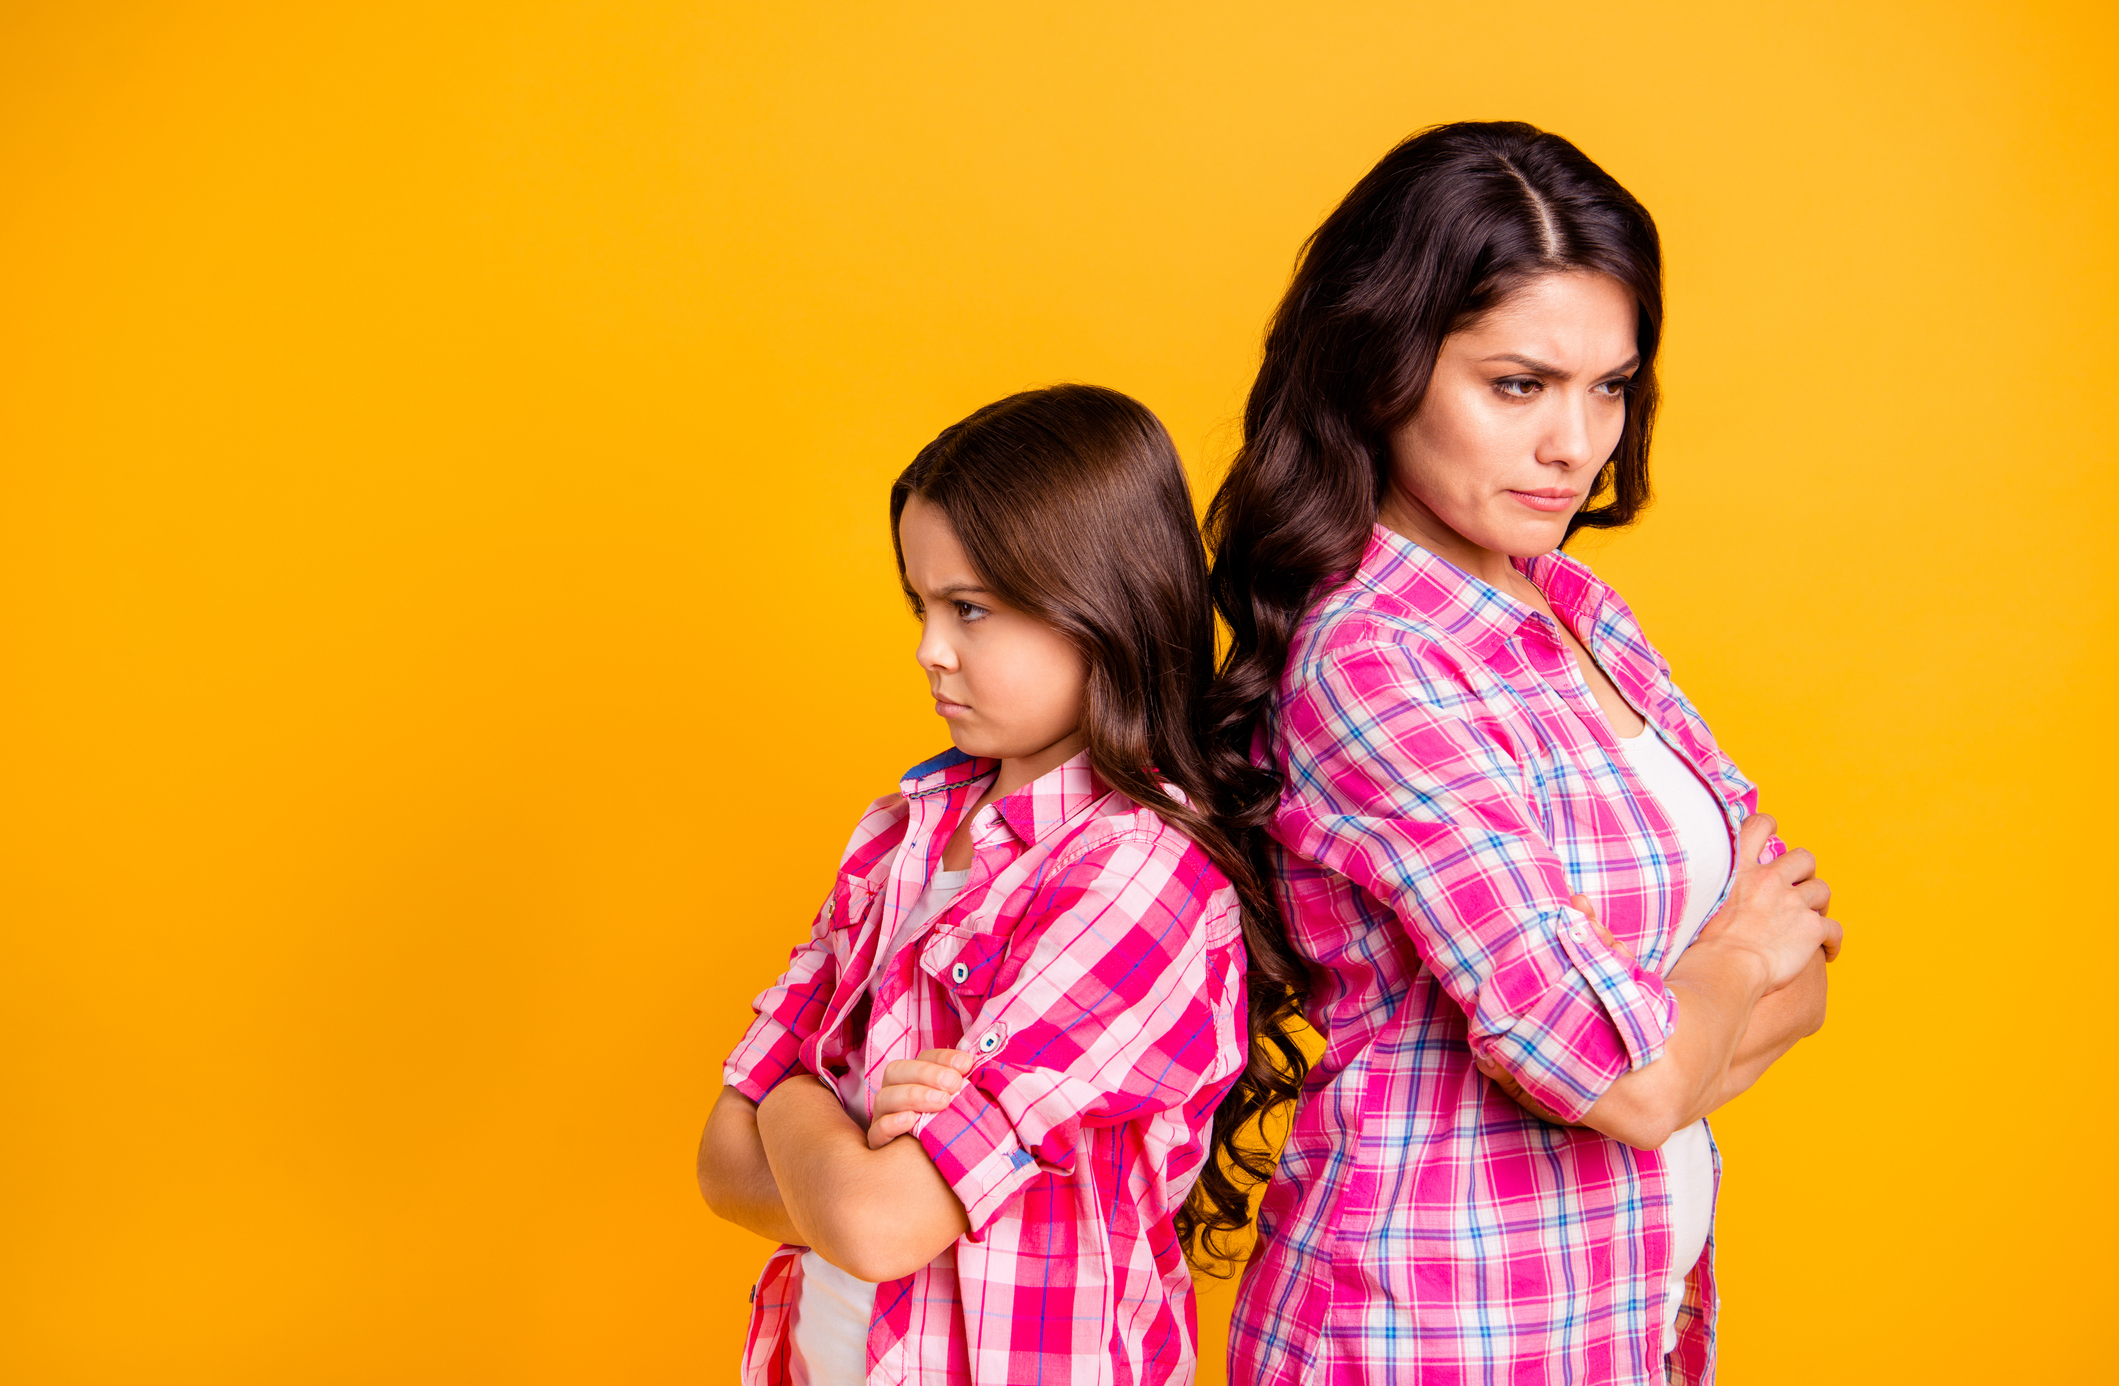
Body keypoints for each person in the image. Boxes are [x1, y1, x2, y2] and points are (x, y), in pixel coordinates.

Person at [1204, 122, 1844, 1385]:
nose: (1575, 443)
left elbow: (1808, 968)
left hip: (1622, 1321)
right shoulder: (1368, 658)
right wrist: (1721, 965)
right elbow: (1629, 1084)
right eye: (1517, 384)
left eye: (1608, 385)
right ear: (1378, 367)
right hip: (1421, 1337)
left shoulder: (1581, 611)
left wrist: (1681, 1020)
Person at [695, 384, 1291, 1386]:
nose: (929, 649)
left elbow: (878, 1224)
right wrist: (839, 1127)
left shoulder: (1139, 874)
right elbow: (720, 1165)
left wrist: (794, 1098)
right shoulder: (901, 834)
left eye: (970, 609)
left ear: (1100, 606)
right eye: (921, 605)